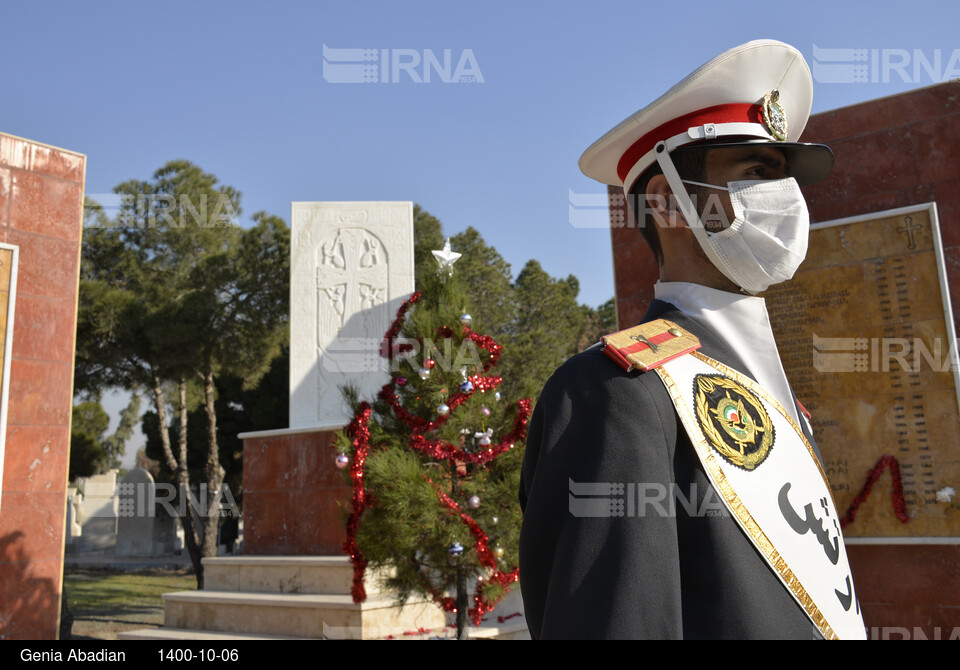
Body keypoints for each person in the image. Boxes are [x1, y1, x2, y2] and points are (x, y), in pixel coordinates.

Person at [518, 40, 865, 640]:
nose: (787, 200)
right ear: (668, 204)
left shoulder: (778, 400)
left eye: (783, 176)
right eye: (757, 174)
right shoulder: (618, 393)